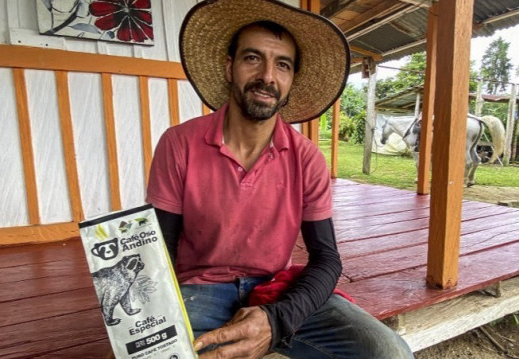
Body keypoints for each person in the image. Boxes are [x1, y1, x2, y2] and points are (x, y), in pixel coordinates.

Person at [146, 0, 414, 358]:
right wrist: (140, 328)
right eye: (252, 58)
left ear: (291, 81)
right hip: (198, 294)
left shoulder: (307, 158)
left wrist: (277, 319)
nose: (267, 77)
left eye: (282, 65)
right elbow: (159, 248)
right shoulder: (179, 144)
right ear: (230, 68)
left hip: (275, 292)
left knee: (388, 353)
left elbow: (327, 258)